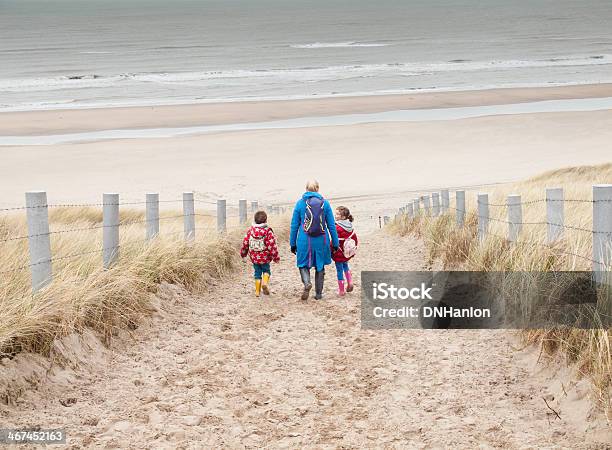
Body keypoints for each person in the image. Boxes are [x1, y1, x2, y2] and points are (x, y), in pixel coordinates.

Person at [290, 180, 339, 300]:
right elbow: (331, 225)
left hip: (304, 239)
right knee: (320, 265)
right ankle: (318, 294)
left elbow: (294, 225)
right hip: (322, 240)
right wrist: (336, 243)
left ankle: (307, 283)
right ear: (318, 189)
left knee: (302, 264)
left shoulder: (300, 204)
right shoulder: (325, 203)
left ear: (306, 189)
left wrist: (292, 243)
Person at [240, 210, 280, 297]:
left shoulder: (251, 231)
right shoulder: (267, 231)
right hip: (265, 257)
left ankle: (257, 292)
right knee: (266, 271)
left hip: (254, 257)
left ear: (254, 220)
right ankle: (265, 283)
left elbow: (245, 243)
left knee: (257, 273)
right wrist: (276, 257)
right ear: (266, 220)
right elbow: (272, 245)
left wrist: (243, 254)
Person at [331, 206, 358, 296]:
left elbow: (334, 241)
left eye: (338, 214)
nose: (335, 215)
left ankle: (341, 290)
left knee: (339, 270)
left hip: (338, 252)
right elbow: (354, 238)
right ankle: (350, 282)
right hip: (347, 252)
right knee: (346, 266)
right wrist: (354, 249)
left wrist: (331, 251)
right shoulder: (350, 225)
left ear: (343, 217)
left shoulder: (337, 227)